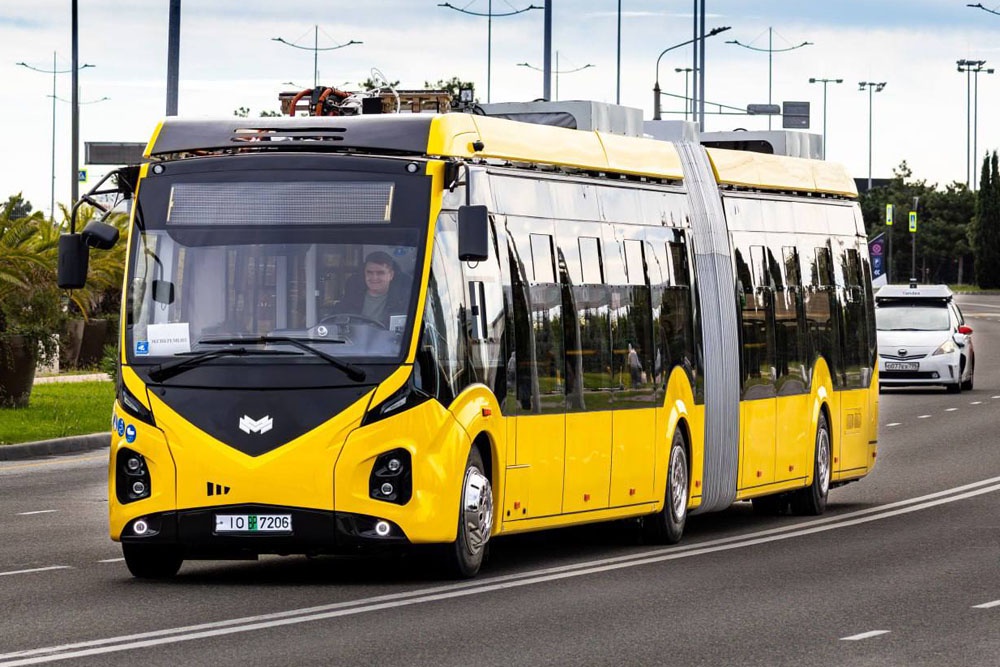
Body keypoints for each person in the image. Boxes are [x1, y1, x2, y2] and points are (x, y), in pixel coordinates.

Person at [331, 251, 409, 326]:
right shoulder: (351, 297)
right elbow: (333, 322)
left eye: (380, 273)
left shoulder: (403, 302)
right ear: (364, 273)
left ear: (391, 275)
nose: (374, 278)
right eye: (369, 272)